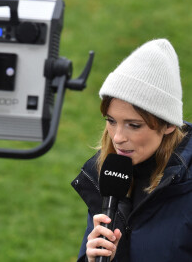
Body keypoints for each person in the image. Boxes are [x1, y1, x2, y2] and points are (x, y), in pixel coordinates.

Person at [71, 39, 192, 262]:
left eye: (134, 125)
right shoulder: (106, 174)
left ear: (168, 125)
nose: (117, 138)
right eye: (111, 120)